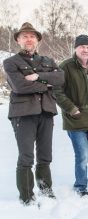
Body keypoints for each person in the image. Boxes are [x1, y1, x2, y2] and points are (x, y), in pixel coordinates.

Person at [3, 22, 64, 205]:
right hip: (23, 113)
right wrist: (47, 84)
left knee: (45, 155)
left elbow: (60, 78)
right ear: (18, 40)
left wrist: (38, 77)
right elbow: (20, 86)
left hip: (46, 112)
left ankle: (46, 190)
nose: (29, 39)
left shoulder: (47, 61)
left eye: (32, 36)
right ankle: (26, 197)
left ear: (37, 40)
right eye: (25, 36)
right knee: (26, 156)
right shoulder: (10, 62)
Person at [54, 34, 88, 196]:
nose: (85, 50)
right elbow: (57, 91)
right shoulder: (66, 67)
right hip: (75, 121)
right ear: (76, 48)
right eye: (82, 47)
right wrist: (72, 109)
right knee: (82, 156)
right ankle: (80, 186)